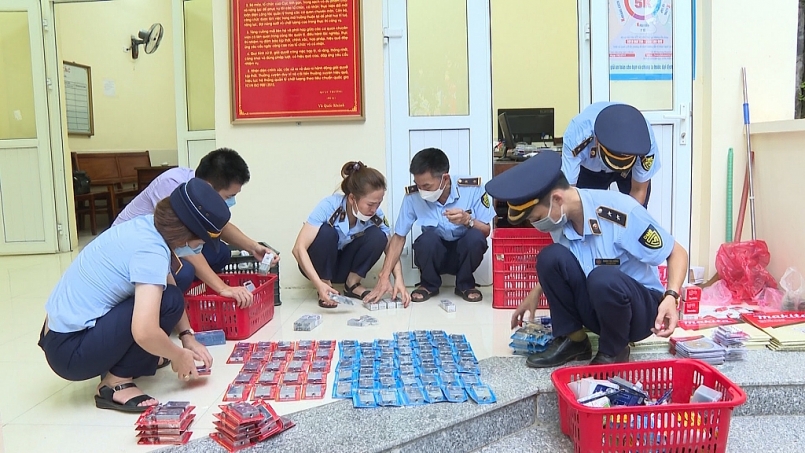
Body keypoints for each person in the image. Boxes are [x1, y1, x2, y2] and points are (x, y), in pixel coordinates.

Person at [39, 178, 228, 412]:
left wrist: (187, 336)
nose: (200, 248)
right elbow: (145, 330)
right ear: (186, 234)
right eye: (201, 241)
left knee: (171, 294)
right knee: (168, 301)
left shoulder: (148, 226)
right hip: (70, 353)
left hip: (59, 334)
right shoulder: (151, 251)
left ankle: (130, 361)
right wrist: (178, 356)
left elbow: (169, 284)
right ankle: (115, 384)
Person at [485, 151, 687, 366]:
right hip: (599, 304)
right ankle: (574, 341)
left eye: (537, 217)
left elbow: (677, 253)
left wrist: (671, 296)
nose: (537, 225)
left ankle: (614, 351)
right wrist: (535, 292)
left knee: (602, 277)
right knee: (550, 257)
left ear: (557, 199)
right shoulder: (560, 220)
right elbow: (569, 262)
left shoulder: (622, 211)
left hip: (639, 312)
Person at [113, 148, 278, 306]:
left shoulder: (199, 186)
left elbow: (220, 227)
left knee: (220, 253)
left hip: (168, 245)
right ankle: (161, 306)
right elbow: (182, 245)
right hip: (132, 251)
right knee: (184, 272)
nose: (231, 201)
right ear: (209, 188)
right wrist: (223, 288)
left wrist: (253, 247)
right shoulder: (172, 184)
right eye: (229, 196)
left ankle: (190, 297)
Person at [366, 148, 496, 303]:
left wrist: (468, 220)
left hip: (463, 253)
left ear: (445, 179)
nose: (422, 191)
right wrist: (384, 275)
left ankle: (465, 284)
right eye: (418, 185)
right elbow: (399, 237)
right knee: (426, 240)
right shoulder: (413, 196)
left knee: (475, 237)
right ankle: (428, 284)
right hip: (435, 254)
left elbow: (486, 231)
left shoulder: (472, 189)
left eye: (427, 186)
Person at [292, 161, 409, 308]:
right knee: (327, 232)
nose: (374, 209)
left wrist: (399, 279)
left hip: (344, 268)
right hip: (319, 267)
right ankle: (325, 286)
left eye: (378, 204)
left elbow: (392, 248)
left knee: (378, 235)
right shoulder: (329, 206)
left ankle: (352, 284)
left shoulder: (376, 216)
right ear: (352, 198)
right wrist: (318, 284)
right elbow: (298, 249)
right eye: (370, 204)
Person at [561, 102, 660, 207]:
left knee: (637, 211)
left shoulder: (644, 140)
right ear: (597, 141)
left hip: (628, 170)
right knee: (584, 207)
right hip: (589, 170)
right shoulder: (577, 135)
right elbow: (568, 194)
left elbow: (638, 191)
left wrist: (631, 214)